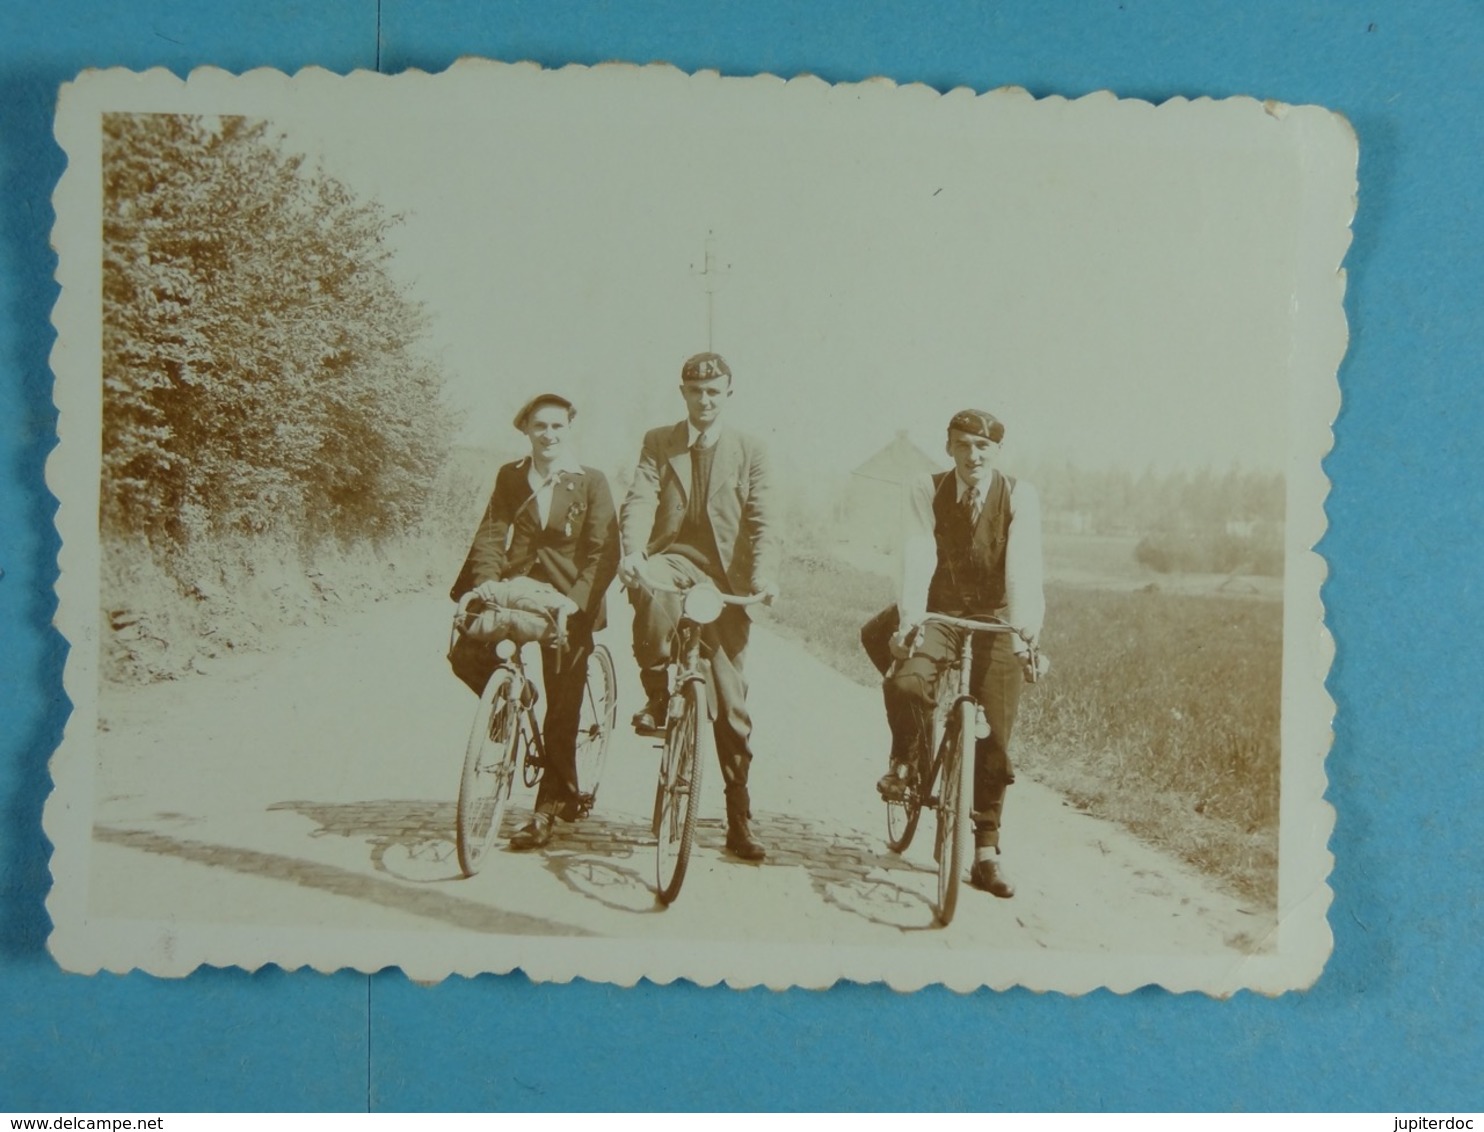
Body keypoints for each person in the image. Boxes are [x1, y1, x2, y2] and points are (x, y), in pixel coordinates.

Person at [859, 408, 1045, 898]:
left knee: (998, 736)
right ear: (948, 448)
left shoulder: (1019, 495)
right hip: (938, 614)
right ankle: (910, 758)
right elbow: (916, 554)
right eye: (963, 445)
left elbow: (1024, 567)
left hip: (994, 620)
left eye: (983, 447)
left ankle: (985, 852)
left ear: (997, 452)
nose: (973, 455)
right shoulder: (928, 488)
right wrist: (910, 622)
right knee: (905, 682)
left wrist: (1026, 634)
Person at [617, 351, 780, 862]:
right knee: (648, 589)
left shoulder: (751, 450)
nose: (704, 400)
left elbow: (764, 521)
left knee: (731, 710)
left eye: (714, 391)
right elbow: (639, 500)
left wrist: (765, 578)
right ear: (682, 393)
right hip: (674, 561)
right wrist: (633, 554)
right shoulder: (659, 443)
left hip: (726, 580)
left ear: (728, 392)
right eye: (695, 390)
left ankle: (739, 818)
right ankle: (659, 694)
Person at [449, 392, 620, 851]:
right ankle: (512, 695)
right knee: (464, 650)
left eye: (557, 427)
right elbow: (490, 531)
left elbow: (605, 552)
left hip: (568, 599)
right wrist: (485, 582)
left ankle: (548, 808)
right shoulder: (511, 476)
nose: (549, 435)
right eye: (540, 426)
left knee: (563, 707)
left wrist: (577, 601)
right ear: (525, 429)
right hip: (518, 585)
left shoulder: (591, 482)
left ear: (569, 430)